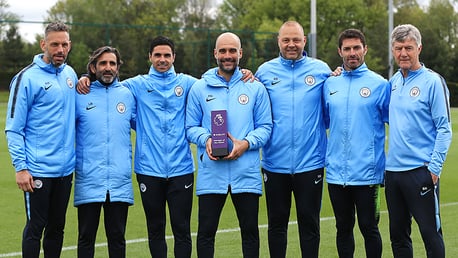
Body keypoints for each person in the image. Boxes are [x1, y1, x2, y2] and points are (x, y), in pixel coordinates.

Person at [76, 36, 254, 258]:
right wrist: (86, 76)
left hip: (181, 169)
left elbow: (213, 78)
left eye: (166, 55)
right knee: (156, 230)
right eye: (157, 55)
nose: (162, 59)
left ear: (174, 58)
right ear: (150, 57)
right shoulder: (136, 85)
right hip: (149, 170)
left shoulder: (188, 83)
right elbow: (108, 86)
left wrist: (243, 74)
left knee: (182, 231)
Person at [185, 32, 272, 258]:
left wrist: (246, 144)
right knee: (206, 233)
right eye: (222, 51)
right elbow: (190, 127)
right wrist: (207, 140)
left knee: (250, 233)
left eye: (232, 51)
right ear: (215, 53)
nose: (227, 55)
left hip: (246, 172)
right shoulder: (199, 88)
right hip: (211, 174)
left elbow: (265, 127)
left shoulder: (255, 88)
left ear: (240, 53)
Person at [254, 21, 331, 257]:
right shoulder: (264, 72)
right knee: (277, 225)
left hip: (311, 164)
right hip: (274, 163)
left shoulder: (321, 70)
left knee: (310, 224)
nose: (291, 45)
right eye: (286, 40)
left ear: (304, 41)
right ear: (278, 41)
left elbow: (329, 112)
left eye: (296, 40)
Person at [5, 21, 77, 258]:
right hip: (37, 170)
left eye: (64, 44)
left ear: (69, 46)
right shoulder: (26, 78)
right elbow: (14, 129)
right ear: (43, 44)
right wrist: (21, 168)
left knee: (57, 229)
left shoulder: (70, 74)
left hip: (65, 170)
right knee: (36, 228)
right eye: (55, 44)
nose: (60, 49)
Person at [385, 24, 452, 258]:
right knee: (398, 236)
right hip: (393, 173)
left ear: (419, 48)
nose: (403, 53)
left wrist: (433, 169)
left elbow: (445, 129)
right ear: (393, 50)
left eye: (409, 48)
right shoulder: (392, 82)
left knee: (430, 234)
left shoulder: (432, 81)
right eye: (399, 48)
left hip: (420, 171)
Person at [323, 29, 389, 258]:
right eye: (347, 49)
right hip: (335, 174)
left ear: (365, 49)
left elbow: (397, 124)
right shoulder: (330, 85)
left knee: (369, 228)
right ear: (340, 51)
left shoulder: (380, 85)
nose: (352, 53)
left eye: (356, 48)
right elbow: (324, 121)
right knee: (342, 228)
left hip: (367, 174)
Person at [74, 46, 136, 258]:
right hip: (89, 178)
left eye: (112, 63)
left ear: (118, 67)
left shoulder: (127, 95)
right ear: (93, 67)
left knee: (117, 238)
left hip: (119, 180)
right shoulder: (80, 93)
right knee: (85, 238)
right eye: (103, 63)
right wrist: (82, 78)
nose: (108, 68)